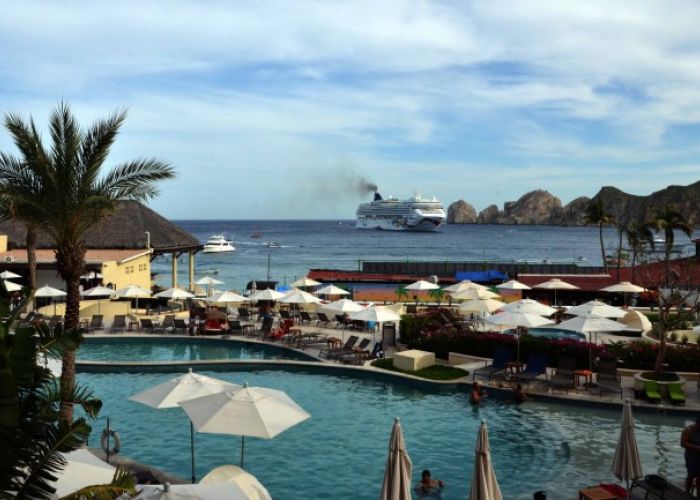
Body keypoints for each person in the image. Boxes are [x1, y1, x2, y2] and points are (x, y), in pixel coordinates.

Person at [681, 416, 700, 495]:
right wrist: (696, 447)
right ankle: (687, 493)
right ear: (697, 423)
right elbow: (683, 443)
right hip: (691, 456)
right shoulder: (688, 430)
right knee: (691, 475)